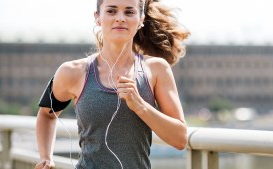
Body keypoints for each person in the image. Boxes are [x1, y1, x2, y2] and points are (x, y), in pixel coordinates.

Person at [35, 0, 190, 168]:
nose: (120, 18)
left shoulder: (157, 69)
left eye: (129, 12)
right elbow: (46, 114)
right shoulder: (72, 72)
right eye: (111, 11)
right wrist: (46, 157)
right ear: (98, 17)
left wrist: (140, 106)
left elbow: (180, 139)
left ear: (141, 20)